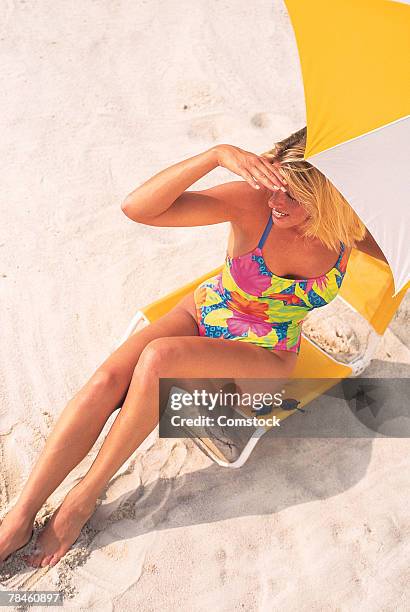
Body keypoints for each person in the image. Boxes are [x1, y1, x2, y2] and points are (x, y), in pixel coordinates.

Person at [0, 126, 387, 568]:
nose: (277, 202)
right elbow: (137, 209)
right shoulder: (252, 204)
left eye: (294, 197)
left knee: (159, 358)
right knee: (108, 379)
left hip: (263, 357)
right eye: (276, 184)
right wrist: (215, 155)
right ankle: (21, 515)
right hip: (204, 313)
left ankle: (82, 498)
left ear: (329, 198)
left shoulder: (350, 232)